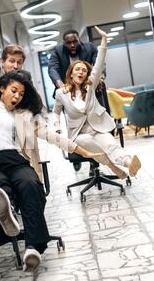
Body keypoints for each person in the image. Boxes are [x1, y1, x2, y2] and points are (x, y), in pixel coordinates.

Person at [0, 18, 104, 272]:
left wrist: (81, 150)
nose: (16, 96)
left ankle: (32, 248)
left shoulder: (24, 114)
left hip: (16, 160)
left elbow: (52, 135)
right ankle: (8, 221)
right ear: (3, 87)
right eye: (13, 91)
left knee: (29, 184)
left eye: (21, 94)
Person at [53, 26, 142, 180]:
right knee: (89, 142)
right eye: (77, 69)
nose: (81, 72)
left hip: (97, 127)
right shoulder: (61, 93)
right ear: (71, 73)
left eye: (84, 70)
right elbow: (55, 111)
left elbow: (99, 64)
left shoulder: (90, 86)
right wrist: (56, 125)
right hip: (79, 133)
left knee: (110, 143)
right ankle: (114, 167)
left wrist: (104, 40)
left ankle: (128, 162)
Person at [48, 30, 98, 98]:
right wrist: (61, 86)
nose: (72, 45)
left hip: (89, 88)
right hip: (67, 90)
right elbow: (52, 69)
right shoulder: (57, 51)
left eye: (75, 41)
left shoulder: (90, 47)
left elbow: (99, 64)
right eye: (68, 43)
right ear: (64, 43)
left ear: (79, 40)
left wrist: (100, 77)